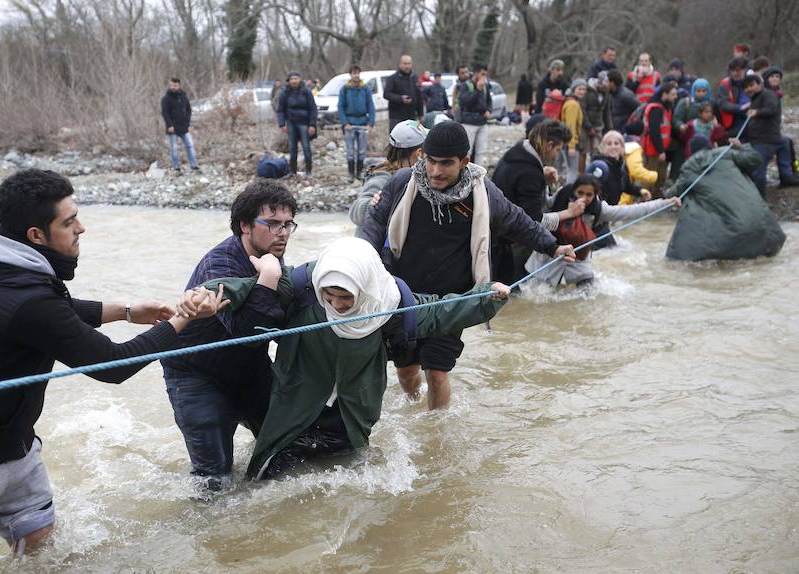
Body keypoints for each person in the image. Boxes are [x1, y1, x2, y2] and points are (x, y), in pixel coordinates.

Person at [0, 169, 223, 565]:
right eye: (69, 223)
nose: (81, 228)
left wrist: (124, 311)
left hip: (12, 449)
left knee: (39, 551)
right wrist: (183, 318)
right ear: (36, 235)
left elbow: (54, 311)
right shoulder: (23, 297)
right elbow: (112, 365)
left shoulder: (8, 269)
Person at [188, 238, 513, 479]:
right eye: (328, 297)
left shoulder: (390, 305)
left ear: (365, 289)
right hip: (294, 412)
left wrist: (485, 298)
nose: (337, 306)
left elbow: (441, 311)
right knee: (266, 485)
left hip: (350, 420)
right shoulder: (301, 290)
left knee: (348, 489)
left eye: (346, 298)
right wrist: (206, 295)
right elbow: (240, 288)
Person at [362, 121, 575, 408]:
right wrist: (361, 260)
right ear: (422, 155)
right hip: (404, 295)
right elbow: (373, 225)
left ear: (465, 161)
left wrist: (553, 246)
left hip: (454, 300)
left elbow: (518, 221)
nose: (436, 171)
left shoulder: (483, 193)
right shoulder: (402, 183)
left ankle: (436, 433)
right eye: (431, 161)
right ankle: (414, 409)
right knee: (406, 369)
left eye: (446, 163)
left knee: (437, 372)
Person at [161, 180, 298, 490]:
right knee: (214, 481)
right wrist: (267, 279)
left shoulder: (270, 255)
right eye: (273, 223)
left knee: (285, 458)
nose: (283, 232)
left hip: (249, 370)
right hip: (196, 376)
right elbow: (246, 332)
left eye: (288, 224)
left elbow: (278, 321)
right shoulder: (219, 265)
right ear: (245, 226)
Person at [525, 173, 680, 287]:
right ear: (574, 191)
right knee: (538, 295)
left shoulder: (600, 210)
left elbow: (632, 211)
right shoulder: (561, 196)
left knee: (588, 294)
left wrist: (665, 203)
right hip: (549, 254)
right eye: (580, 193)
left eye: (589, 195)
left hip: (578, 258)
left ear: (596, 195)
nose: (583, 198)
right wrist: (544, 180)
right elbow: (540, 211)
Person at [666, 137, 785, 261]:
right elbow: (756, 160)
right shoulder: (726, 154)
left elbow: (672, 195)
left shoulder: (688, 169)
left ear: (691, 151)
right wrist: (742, 146)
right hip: (763, 226)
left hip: (731, 235)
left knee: (693, 201)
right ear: (711, 145)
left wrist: (668, 191)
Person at [349, 120, 427, 236]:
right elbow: (355, 212)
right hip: (375, 249)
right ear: (419, 153)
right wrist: (372, 204)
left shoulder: (413, 175)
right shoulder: (382, 178)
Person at [743, 74, 799, 196]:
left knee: (758, 172)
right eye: (746, 87)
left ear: (760, 84)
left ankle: (760, 201)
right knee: (785, 142)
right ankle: (786, 176)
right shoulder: (756, 98)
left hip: (766, 140)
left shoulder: (768, 95)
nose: (749, 89)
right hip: (764, 139)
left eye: (751, 85)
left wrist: (757, 112)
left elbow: (771, 109)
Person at [591, 130, 653, 207]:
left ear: (622, 147)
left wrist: (640, 191)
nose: (613, 147)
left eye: (616, 143)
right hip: (600, 209)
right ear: (603, 147)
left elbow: (626, 186)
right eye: (609, 144)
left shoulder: (622, 165)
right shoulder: (599, 165)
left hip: (613, 208)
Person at [338, 65, 376, 182]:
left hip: (363, 123)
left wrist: (371, 123)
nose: (356, 75)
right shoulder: (344, 89)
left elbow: (371, 106)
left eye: (358, 73)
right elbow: (340, 107)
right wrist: (345, 123)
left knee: (361, 151)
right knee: (350, 151)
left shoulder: (365, 88)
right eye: (354, 73)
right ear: (350, 74)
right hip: (350, 123)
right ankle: (350, 174)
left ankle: (359, 172)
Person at [641, 82, 679, 197]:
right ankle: (645, 197)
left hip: (661, 147)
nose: (675, 97)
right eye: (673, 94)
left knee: (661, 174)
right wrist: (661, 150)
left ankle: (656, 194)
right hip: (653, 148)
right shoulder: (656, 109)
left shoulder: (666, 107)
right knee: (650, 175)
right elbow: (654, 131)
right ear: (665, 94)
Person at [278, 71, 317, 177]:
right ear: (288, 81)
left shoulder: (307, 91)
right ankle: (292, 171)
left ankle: (309, 171)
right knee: (292, 148)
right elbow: (280, 110)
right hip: (291, 123)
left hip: (304, 123)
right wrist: (282, 124)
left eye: (296, 78)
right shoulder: (284, 93)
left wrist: (312, 124)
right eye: (292, 79)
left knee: (306, 147)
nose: (294, 81)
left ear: (300, 79)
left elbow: (313, 109)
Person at [160, 77, 198, 173]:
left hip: (183, 127)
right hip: (172, 128)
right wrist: (169, 125)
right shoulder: (166, 98)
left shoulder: (183, 96)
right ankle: (176, 168)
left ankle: (194, 166)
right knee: (174, 148)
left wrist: (187, 122)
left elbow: (188, 110)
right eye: (171, 85)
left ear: (179, 86)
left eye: (175, 85)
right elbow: (165, 113)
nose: (173, 87)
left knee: (190, 145)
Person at [458, 63, 493, 166]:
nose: (484, 77)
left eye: (485, 75)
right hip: (469, 123)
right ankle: (465, 173)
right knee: (467, 152)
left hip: (482, 122)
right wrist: (478, 90)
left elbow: (489, 100)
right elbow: (465, 102)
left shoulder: (486, 86)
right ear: (476, 73)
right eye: (482, 74)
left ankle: (479, 176)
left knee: (481, 152)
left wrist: (489, 110)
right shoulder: (466, 85)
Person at [384, 54, 423, 131]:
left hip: (411, 116)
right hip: (396, 117)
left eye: (409, 64)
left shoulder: (414, 77)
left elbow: (419, 96)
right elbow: (386, 94)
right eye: (405, 64)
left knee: (411, 141)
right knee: (396, 141)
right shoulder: (392, 78)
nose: (407, 66)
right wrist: (400, 99)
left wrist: (420, 113)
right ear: (400, 64)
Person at [716, 57, 750, 137]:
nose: (735, 73)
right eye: (732, 71)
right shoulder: (724, 84)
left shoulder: (752, 82)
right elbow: (723, 103)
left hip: (750, 116)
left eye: (738, 71)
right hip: (733, 120)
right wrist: (740, 108)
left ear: (744, 70)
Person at [561, 79, 587, 182]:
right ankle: (569, 194)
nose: (582, 91)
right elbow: (570, 126)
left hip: (567, 142)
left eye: (584, 89)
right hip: (570, 143)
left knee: (568, 171)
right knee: (572, 171)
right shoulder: (573, 105)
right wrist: (571, 146)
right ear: (573, 89)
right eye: (579, 89)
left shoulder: (572, 102)